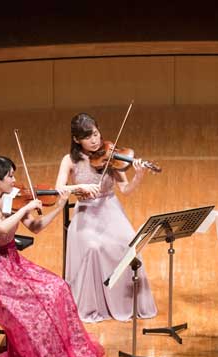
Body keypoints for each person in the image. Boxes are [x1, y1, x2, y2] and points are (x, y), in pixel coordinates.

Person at [0, 156, 104, 357]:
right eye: (10, 176)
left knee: (58, 286)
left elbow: (35, 227)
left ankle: (59, 347)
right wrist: (25, 209)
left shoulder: (9, 200)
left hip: (12, 262)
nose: (14, 181)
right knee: (40, 297)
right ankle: (39, 352)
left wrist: (60, 205)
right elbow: (3, 229)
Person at [55, 112, 157, 323]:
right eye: (87, 137)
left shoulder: (110, 156)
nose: (94, 141)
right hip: (85, 213)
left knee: (130, 245)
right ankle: (94, 305)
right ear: (76, 140)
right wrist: (78, 187)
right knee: (93, 247)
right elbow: (59, 188)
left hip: (110, 209)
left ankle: (125, 302)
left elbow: (126, 189)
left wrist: (138, 175)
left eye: (96, 134)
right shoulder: (70, 160)